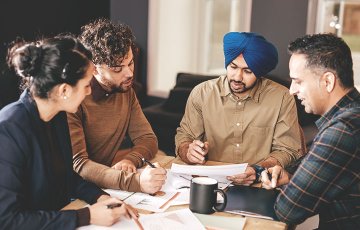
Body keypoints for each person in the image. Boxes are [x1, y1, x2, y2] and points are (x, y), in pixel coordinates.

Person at [0, 36, 139, 229]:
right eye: (86, 85)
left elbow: (68, 177)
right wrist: (85, 216)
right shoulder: (8, 130)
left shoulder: (57, 116)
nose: (90, 92)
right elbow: (7, 220)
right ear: (64, 90)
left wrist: (102, 197)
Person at [175, 32, 303, 185]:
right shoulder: (202, 93)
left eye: (247, 71)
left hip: (260, 184)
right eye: (233, 67)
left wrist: (258, 170)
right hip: (210, 183)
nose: (237, 77)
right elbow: (185, 137)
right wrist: (188, 151)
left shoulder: (282, 98)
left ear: (259, 72)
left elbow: (287, 150)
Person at [261, 33, 360, 229]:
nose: (292, 90)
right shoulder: (351, 116)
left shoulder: (343, 130)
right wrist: (289, 176)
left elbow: (287, 210)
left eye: (298, 81)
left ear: (328, 81)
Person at [67, 18, 166, 194]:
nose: (129, 73)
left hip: (105, 185)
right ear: (94, 69)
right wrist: (135, 182)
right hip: (72, 190)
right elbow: (79, 165)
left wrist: (131, 160)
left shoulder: (126, 91)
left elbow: (148, 139)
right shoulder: (75, 98)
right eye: (117, 68)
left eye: (130, 62)